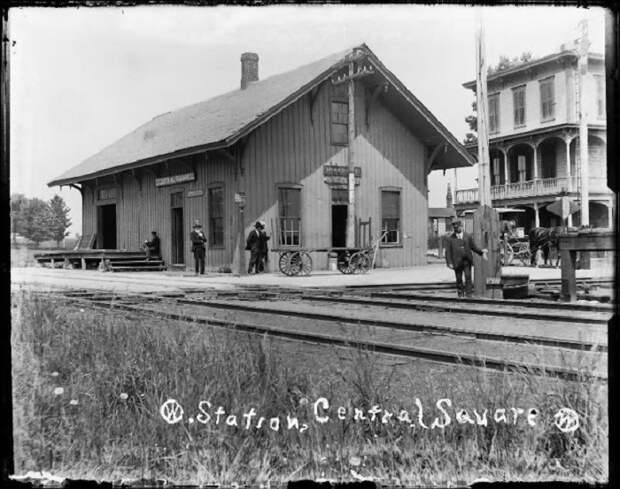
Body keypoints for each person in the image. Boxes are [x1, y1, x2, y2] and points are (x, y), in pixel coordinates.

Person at [445, 220, 488, 297]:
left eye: (457, 227)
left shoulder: (468, 236)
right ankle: (460, 293)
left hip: (467, 261)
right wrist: (449, 263)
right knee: (459, 279)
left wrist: (481, 252)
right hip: (456, 262)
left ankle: (469, 294)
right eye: (455, 228)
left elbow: (473, 247)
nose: (456, 229)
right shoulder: (450, 239)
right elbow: (448, 252)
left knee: (468, 277)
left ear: (461, 227)